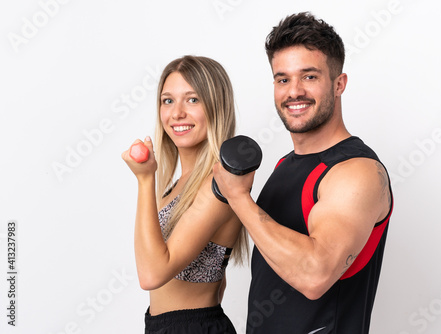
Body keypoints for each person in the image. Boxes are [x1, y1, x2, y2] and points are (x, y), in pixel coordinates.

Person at [213, 12, 393, 334]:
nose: (293, 91)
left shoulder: (357, 172)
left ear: (339, 84)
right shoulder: (286, 165)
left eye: (309, 77)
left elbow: (315, 275)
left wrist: (239, 197)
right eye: (283, 79)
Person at [122, 55, 247, 334]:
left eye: (192, 99)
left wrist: (145, 180)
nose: (176, 113)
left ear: (216, 107)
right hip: (165, 325)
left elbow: (151, 274)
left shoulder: (218, 184)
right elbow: (217, 277)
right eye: (168, 100)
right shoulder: (178, 185)